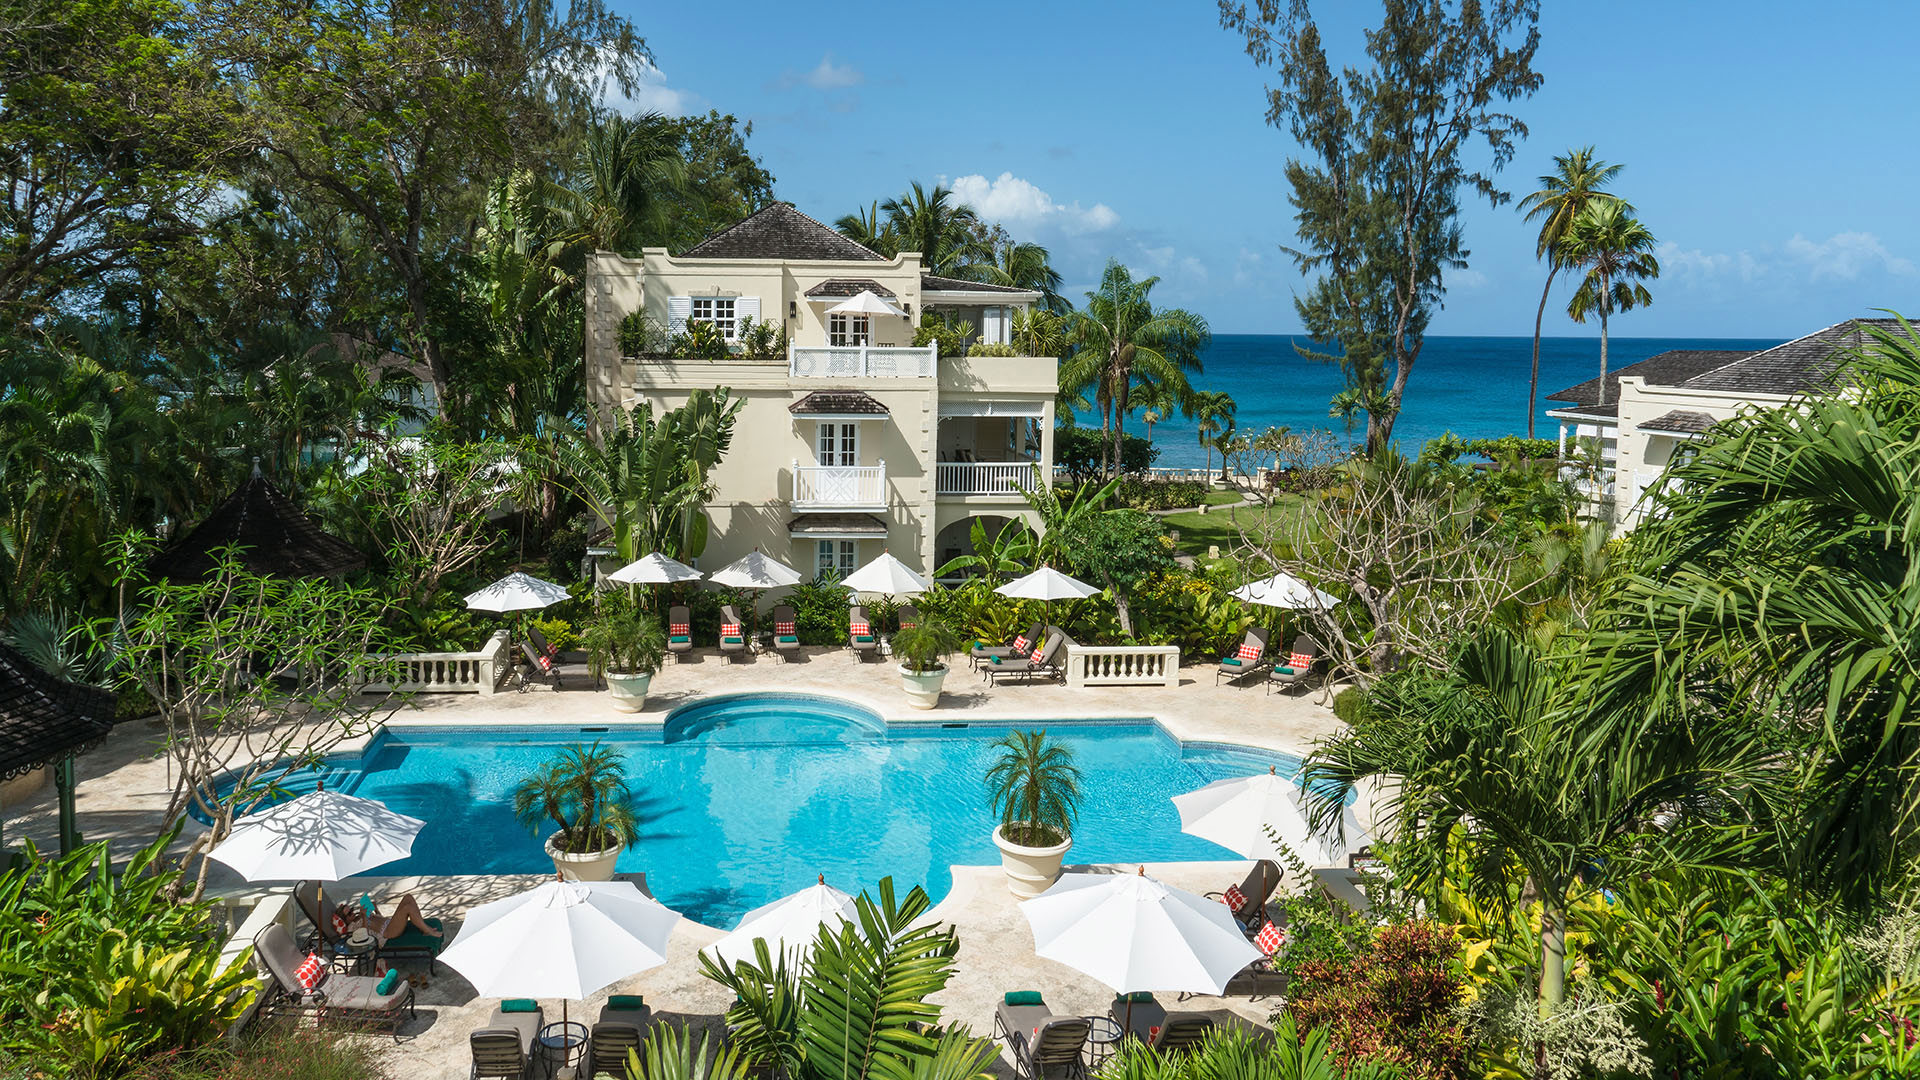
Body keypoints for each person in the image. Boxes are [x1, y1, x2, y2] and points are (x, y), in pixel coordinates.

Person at [332, 892, 442, 943]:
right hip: (388, 932)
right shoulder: (352, 928)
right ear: (345, 920)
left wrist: (376, 910)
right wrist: (365, 917)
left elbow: (378, 920)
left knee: (408, 897)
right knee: (408, 907)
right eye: (350, 913)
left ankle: (423, 927)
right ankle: (427, 931)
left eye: (351, 909)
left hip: (389, 923)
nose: (353, 912)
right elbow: (363, 937)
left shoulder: (359, 916)